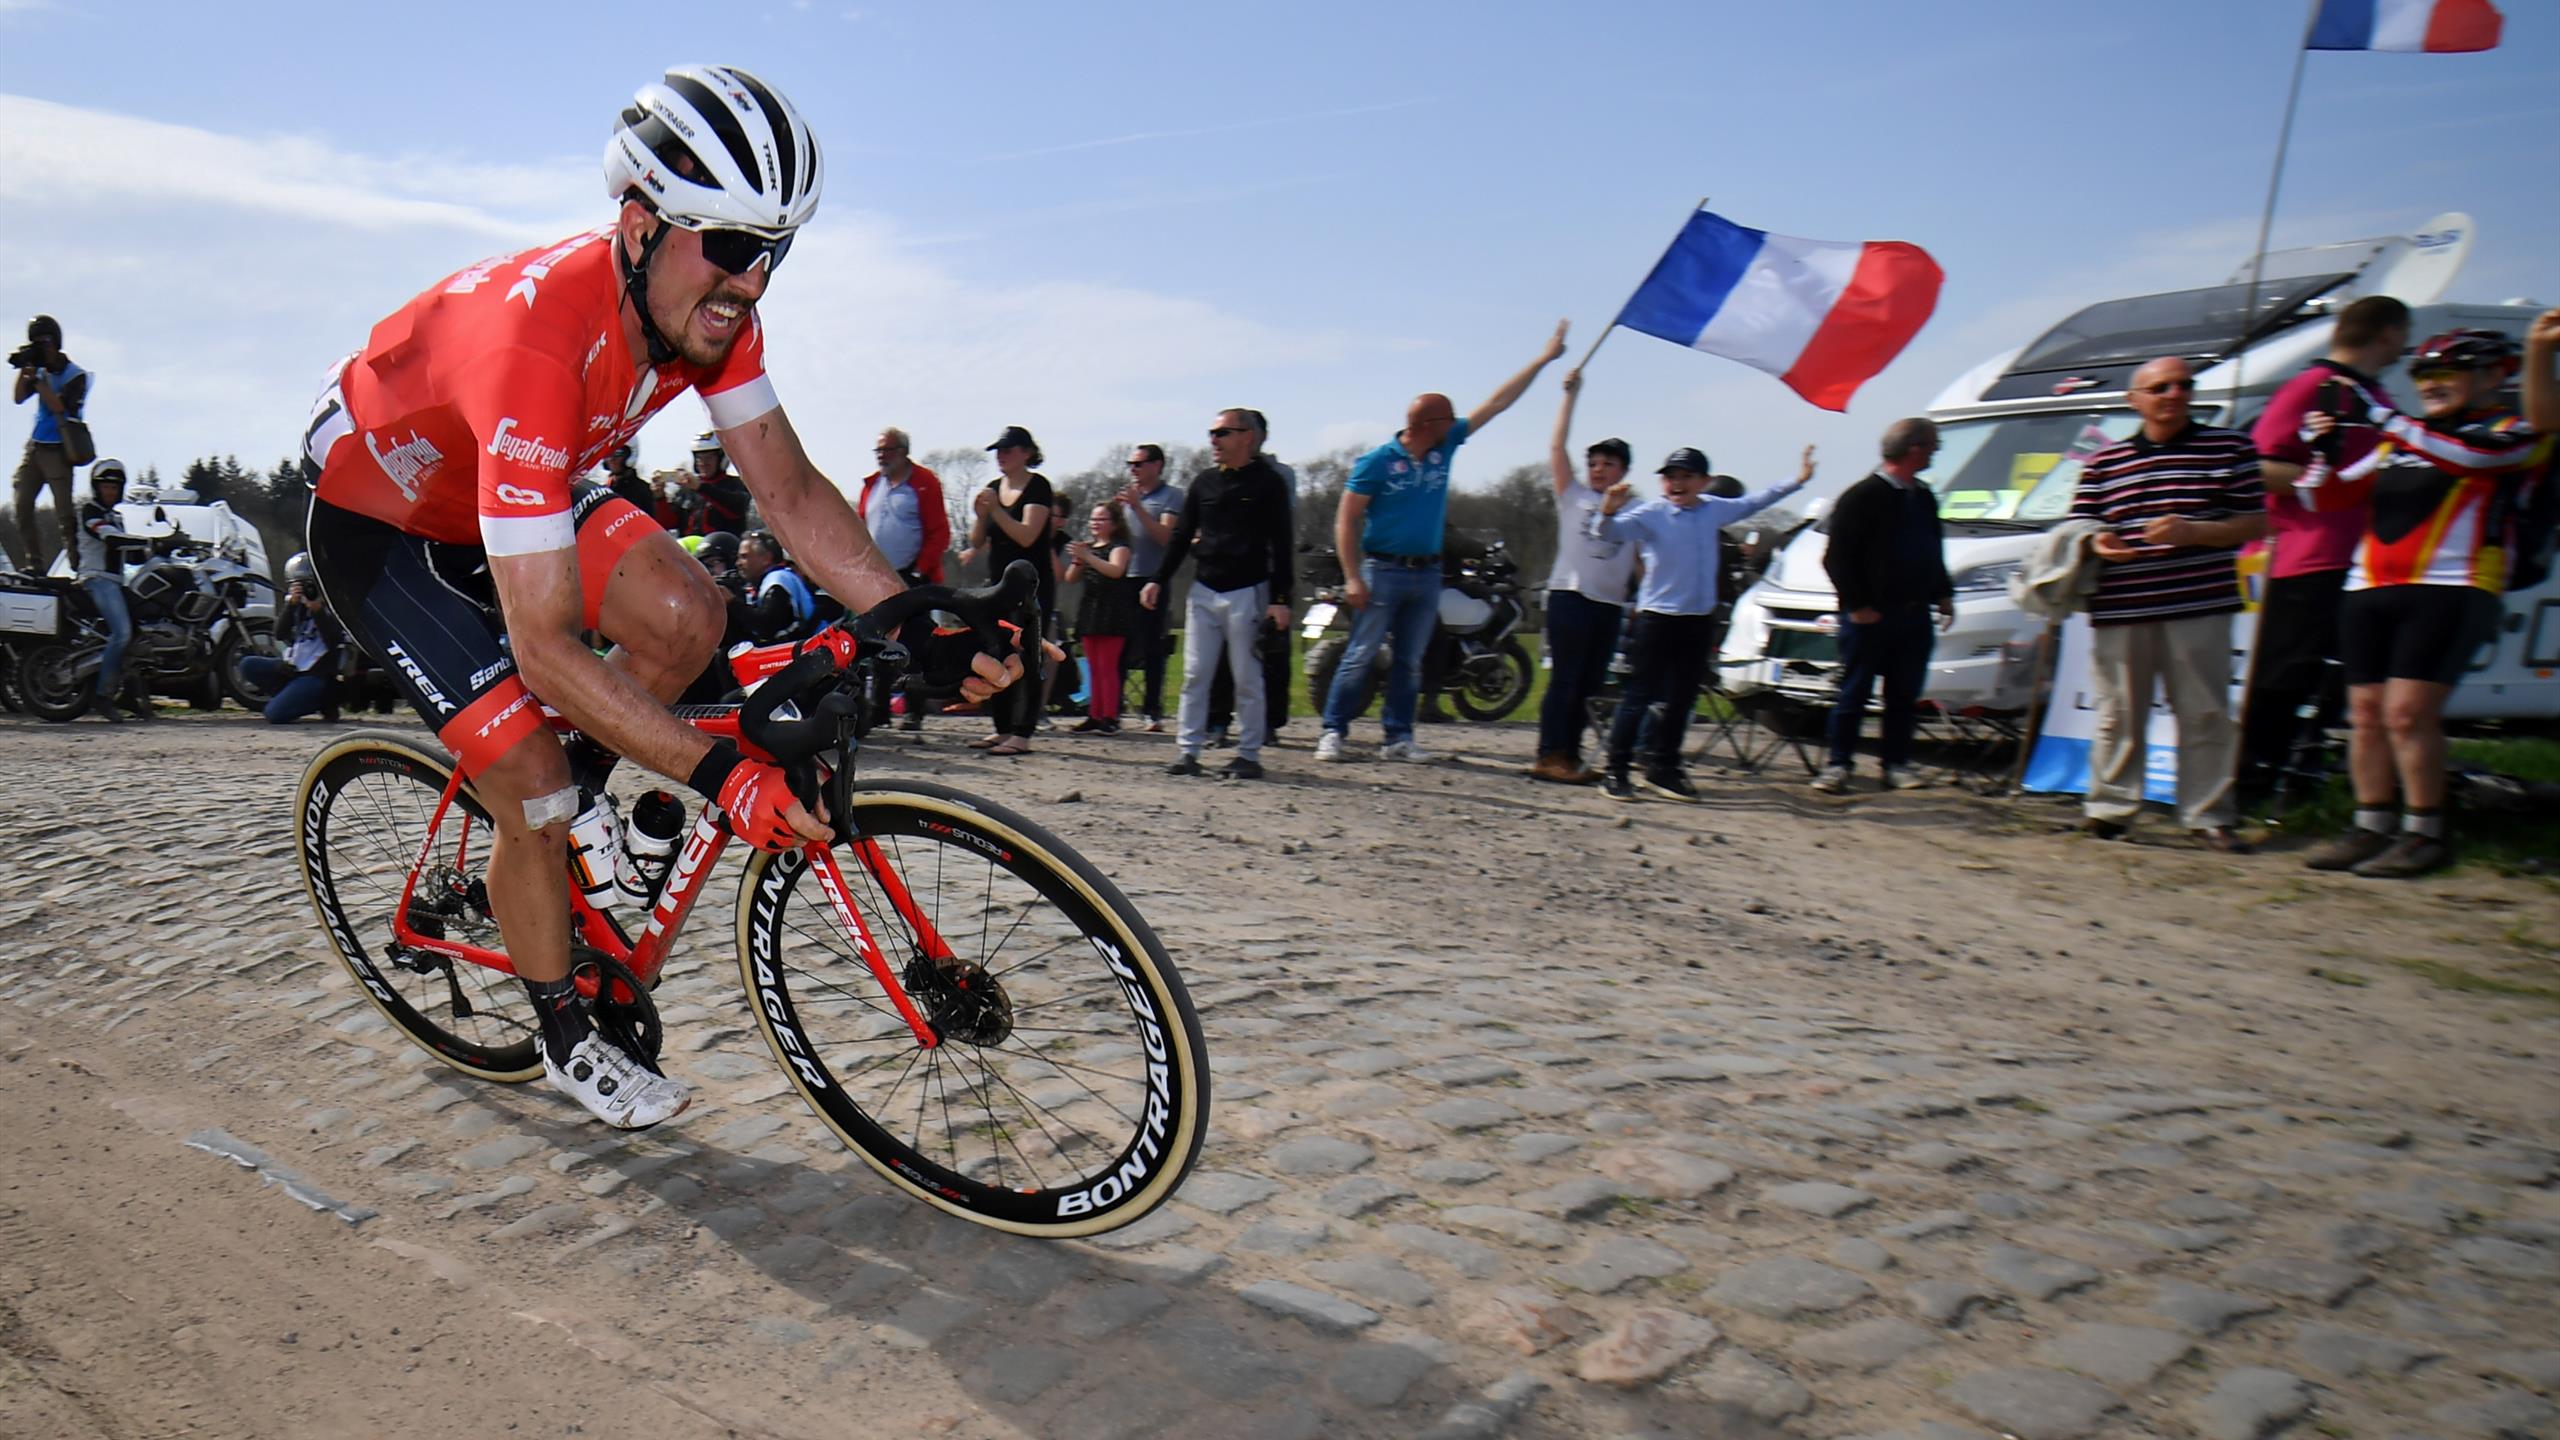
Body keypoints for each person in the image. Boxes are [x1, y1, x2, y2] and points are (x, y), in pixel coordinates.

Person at [295, 65, 1028, 1132]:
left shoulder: (709, 317)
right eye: (729, 246)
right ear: (638, 226)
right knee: (536, 788)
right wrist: (720, 774)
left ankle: (583, 805)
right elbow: (547, 647)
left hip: (505, 485)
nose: (752, 282)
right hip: (385, 527)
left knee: (691, 615)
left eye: (773, 252)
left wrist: (910, 616)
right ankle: (559, 1027)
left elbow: (787, 488)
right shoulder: (539, 341)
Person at [2296, 330, 2551, 877]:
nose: (2431, 385)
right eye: (2422, 376)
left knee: (2408, 714)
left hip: (2451, 587)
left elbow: (2469, 457)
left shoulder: (2508, 433)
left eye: (2447, 374)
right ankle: (2370, 825)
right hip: (2369, 587)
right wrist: (2324, 451)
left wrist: (2383, 418)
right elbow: (2324, 495)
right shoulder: (2405, 439)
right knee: (2364, 715)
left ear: (2491, 377)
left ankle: (2427, 832)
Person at [1317, 322, 1569, 763]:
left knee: (1411, 660)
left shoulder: (1443, 447)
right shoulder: (1376, 463)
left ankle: (1398, 737)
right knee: (1360, 654)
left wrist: (1542, 360)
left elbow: (1497, 404)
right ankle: (1334, 731)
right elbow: (1346, 519)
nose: (1456, 425)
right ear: (1423, 423)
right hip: (1383, 570)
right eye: (1447, 419)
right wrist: (1354, 575)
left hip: (1428, 571)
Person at [2068, 356, 2265, 851]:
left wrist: (2195, 532)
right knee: (2118, 713)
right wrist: (2096, 544)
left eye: (2183, 385)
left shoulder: (2231, 448)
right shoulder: (2103, 463)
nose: (2173, 394)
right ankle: (2110, 810)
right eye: (2160, 387)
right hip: (2121, 607)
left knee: (2205, 713)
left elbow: (2255, 524)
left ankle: (2209, 815)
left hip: (2198, 605)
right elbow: (2078, 527)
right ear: (2135, 400)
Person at [2240, 295, 2411, 799]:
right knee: (2283, 676)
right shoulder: (2312, 386)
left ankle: (2308, 780)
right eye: (2403, 334)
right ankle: (2250, 782)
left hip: (2370, 561)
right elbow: (2261, 467)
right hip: (2310, 557)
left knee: (2349, 685)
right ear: (2387, 334)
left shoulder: (2376, 394)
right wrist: (2340, 483)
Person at [1592, 445, 1816, 800]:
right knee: (1638, 696)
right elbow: (1607, 533)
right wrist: (1606, 511)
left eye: (1686, 477)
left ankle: (1663, 767)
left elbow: (1758, 500)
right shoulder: (1652, 514)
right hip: (1657, 619)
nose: (1677, 484)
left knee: (1682, 700)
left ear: (1703, 481)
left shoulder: (1714, 510)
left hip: (1697, 620)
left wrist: (1799, 480)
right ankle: (1616, 770)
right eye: (1671, 477)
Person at [1143, 409, 1294, 780]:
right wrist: (1158, 579)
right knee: (1196, 673)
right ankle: (1188, 751)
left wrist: (1281, 598)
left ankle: (1248, 754)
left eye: (1222, 433)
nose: (1214, 440)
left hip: (1249, 589)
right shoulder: (1204, 482)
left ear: (1247, 436)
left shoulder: (1269, 483)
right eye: (1211, 433)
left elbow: (1282, 542)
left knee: (1247, 676)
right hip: (1205, 589)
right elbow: (1181, 535)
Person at [1812, 417, 1955, 794]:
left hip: (1913, 615)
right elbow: (1836, 558)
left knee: (1903, 695)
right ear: (1915, 449)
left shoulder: (1922, 497)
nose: (1935, 455)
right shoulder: (1862, 496)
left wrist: (1943, 593)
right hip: (1870, 616)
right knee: (1854, 692)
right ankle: (1838, 764)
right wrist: (1856, 605)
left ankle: (1896, 764)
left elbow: (1932, 551)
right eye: (1932, 447)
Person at [1530, 368, 1638, 783]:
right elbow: (1556, 446)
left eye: (1607, 464)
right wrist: (1570, 396)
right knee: (1566, 677)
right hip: (1570, 597)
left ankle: (1570, 755)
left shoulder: (1635, 512)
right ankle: (1549, 752)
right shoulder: (1573, 497)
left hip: (1609, 604)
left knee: (1591, 683)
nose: (1597, 470)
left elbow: (1643, 560)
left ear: (1623, 470)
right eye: (1593, 463)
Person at [965, 425, 1055, 756]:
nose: (1001, 456)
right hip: (998, 586)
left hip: (1031, 587)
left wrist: (997, 511)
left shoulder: (1038, 487)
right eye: (998, 451)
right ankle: (1001, 728)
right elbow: (977, 541)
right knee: (997, 652)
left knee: (1029, 655)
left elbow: (1026, 535)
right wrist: (980, 516)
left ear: (1026, 452)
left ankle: (1023, 732)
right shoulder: (993, 488)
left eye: (1008, 450)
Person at [1206, 411, 1295, 745]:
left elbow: (1279, 529)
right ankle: (1217, 721)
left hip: (1267, 570)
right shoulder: (1214, 477)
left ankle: (1268, 722)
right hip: (1226, 572)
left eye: (1229, 432)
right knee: (1219, 652)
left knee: (1269, 650)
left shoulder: (1278, 476)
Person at [10, 314, 90, 575]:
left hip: (60, 449)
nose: (41, 346)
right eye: (36, 342)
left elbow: (60, 407)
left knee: (65, 515)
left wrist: (41, 382)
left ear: (56, 341)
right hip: (35, 447)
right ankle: (35, 563)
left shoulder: (75, 375)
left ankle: (80, 567)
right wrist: (26, 370)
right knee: (21, 505)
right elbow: (18, 398)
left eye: (44, 341)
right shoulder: (39, 370)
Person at [1114, 444, 1185, 732]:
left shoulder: (1172, 496)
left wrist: (1138, 508)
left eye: (1139, 464)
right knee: (1119, 645)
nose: (1133, 469)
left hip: (1152, 579)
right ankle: (1112, 707)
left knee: (1152, 646)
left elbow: (1165, 537)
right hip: (1123, 578)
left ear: (1157, 465)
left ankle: (1152, 710)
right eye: (1130, 464)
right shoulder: (1124, 497)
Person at [70, 457, 143, 722]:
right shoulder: (90, 511)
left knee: (140, 630)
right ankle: (102, 695)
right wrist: (147, 541)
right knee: (122, 634)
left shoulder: (117, 517)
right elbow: (108, 536)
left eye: (114, 487)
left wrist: (166, 546)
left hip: (114, 581)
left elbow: (131, 555)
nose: (110, 491)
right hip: (95, 579)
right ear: (97, 488)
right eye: (106, 487)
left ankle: (129, 693)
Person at [241, 551, 346, 724]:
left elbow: (335, 642)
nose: (306, 589)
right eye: (300, 585)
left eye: (309, 585)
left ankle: (323, 703)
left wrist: (317, 610)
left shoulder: (336, 606)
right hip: (292, 669)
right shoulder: (298, 606)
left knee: (273, 715)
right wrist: (291, 605)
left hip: (316, 676)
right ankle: (287, 696)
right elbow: (279, 633)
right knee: (248, 664)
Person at [1067, 503, 1137, 734]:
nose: (1095, 524)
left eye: (1101, 519)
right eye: (1093, 519)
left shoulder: (1119, 547)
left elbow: (1115, 571)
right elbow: (1070, 579)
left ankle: (1110, 715)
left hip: (1113, 612)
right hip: (1091, 611)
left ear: (1114, 524)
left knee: (1108, 667)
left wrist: (1089, 556)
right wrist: (1079, 559)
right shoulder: (1089, 549)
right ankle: (1094, 714)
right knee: (1093, 666)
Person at [857, 427, 950, 585]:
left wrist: (919, 570)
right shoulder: (871, 486)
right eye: (878, 451)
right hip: (874, 577)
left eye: (887, 450)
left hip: (912, 578)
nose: (881, 455)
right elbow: (858, 526)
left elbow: (940, 533)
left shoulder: (926, 482)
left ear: (903, 451)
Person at [737, 529, 817, 643]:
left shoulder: (778, 579)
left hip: (812, 648)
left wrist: (732, 602)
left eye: (744, 557)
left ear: (766, 558)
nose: (738, 563)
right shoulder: (769, 579)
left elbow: (767, 627)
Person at [682, 431, 752, 537]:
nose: (703, 463)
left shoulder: (736, 484)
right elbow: (668, 523)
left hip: (723, 548)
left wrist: (702, 487)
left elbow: (736, 508)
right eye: (699, 458)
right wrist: (660, 498)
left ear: (721, 459)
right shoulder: (687, 490)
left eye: (709, 457)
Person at [603, 444, 654, 516]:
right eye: (608, 454)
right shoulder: (603, 492)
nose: (611, 459)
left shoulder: (643, 490)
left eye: (617, 453)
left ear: (629, 456)